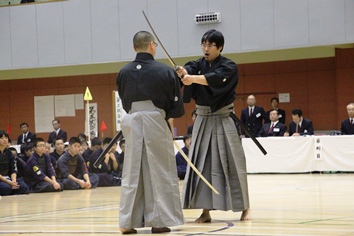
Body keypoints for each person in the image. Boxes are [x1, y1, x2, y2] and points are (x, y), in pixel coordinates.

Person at [177, 29, 251, 223]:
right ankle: (205, 211)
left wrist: (192, 79)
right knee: (202, 164)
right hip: (202, 118)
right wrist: (183, 73)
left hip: (223, 117)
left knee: (234, 162)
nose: (206, 48)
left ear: (220, 47)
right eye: (203, 44)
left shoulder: (229, 66)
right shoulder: (197, 64)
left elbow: (215, 78)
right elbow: (189, 69)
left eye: (210, 45)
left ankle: (245, 208)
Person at [116, 30, 185, 234]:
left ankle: (126, 223)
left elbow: (125, 100)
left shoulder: (123, 72)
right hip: (156, 119)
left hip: (132, 120)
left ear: (134, 47)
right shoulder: (165, 71)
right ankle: (159, 221)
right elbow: (177, 107)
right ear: (152, 46)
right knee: (160, 170)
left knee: (131, 171)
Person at [0, 130, 29, 196]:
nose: (4, 140)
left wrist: (14, 181)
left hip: (9, 178)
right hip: (2, 179)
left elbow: (13, 169)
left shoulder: (9, 153)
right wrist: (9, 182)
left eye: (6, 138)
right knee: (6, 188)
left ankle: (12, 189)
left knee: (24, 187)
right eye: (1, 138)